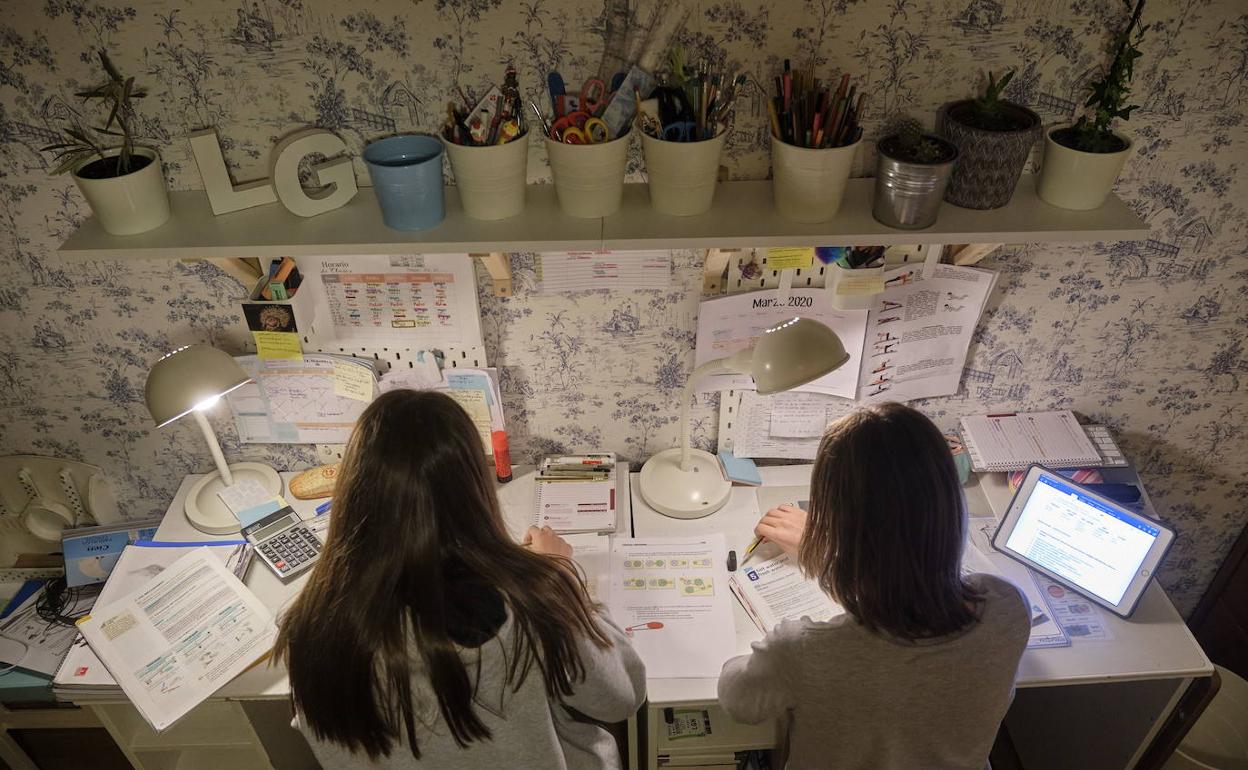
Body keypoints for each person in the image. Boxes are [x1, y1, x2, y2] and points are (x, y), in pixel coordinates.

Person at [277, 390, 645, 769]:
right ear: (475, 492)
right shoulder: (529, 607)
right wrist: (561, 577)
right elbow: (623, 697)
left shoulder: (307, 629)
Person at [718, 403, 1029, 770]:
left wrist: (829, 555)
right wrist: (831, 556)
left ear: (833, 523)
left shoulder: (801, 650)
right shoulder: (1008, 607)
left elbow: (737, 700)